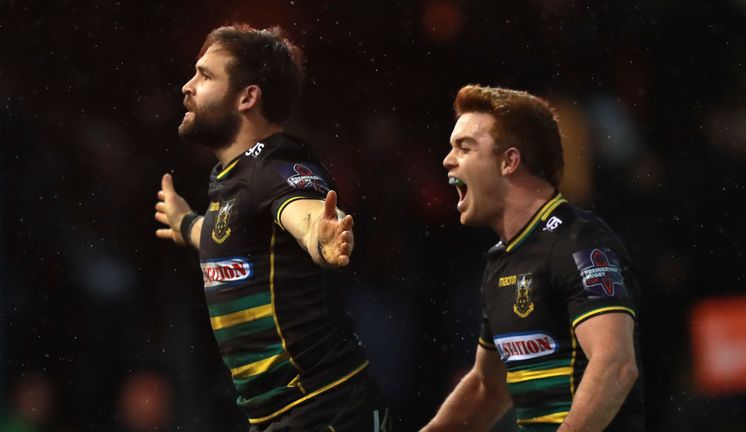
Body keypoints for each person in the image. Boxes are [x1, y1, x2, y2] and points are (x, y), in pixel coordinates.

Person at [153, 24, 390, 432]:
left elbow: (303, 212)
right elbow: (223, 237)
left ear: (248, 97)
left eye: (205, 75)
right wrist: (185, 223)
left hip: (327, 409)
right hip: (282, 416)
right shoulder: (235, 179)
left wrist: (320, 235)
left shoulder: (277, 165)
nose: (187, 87)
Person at [422, 85, 644, 432]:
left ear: (509, 161)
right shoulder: (501, 262)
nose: (448, 160)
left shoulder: (579, 240)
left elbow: (615, 363)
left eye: (464, 148)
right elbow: (487, 389)